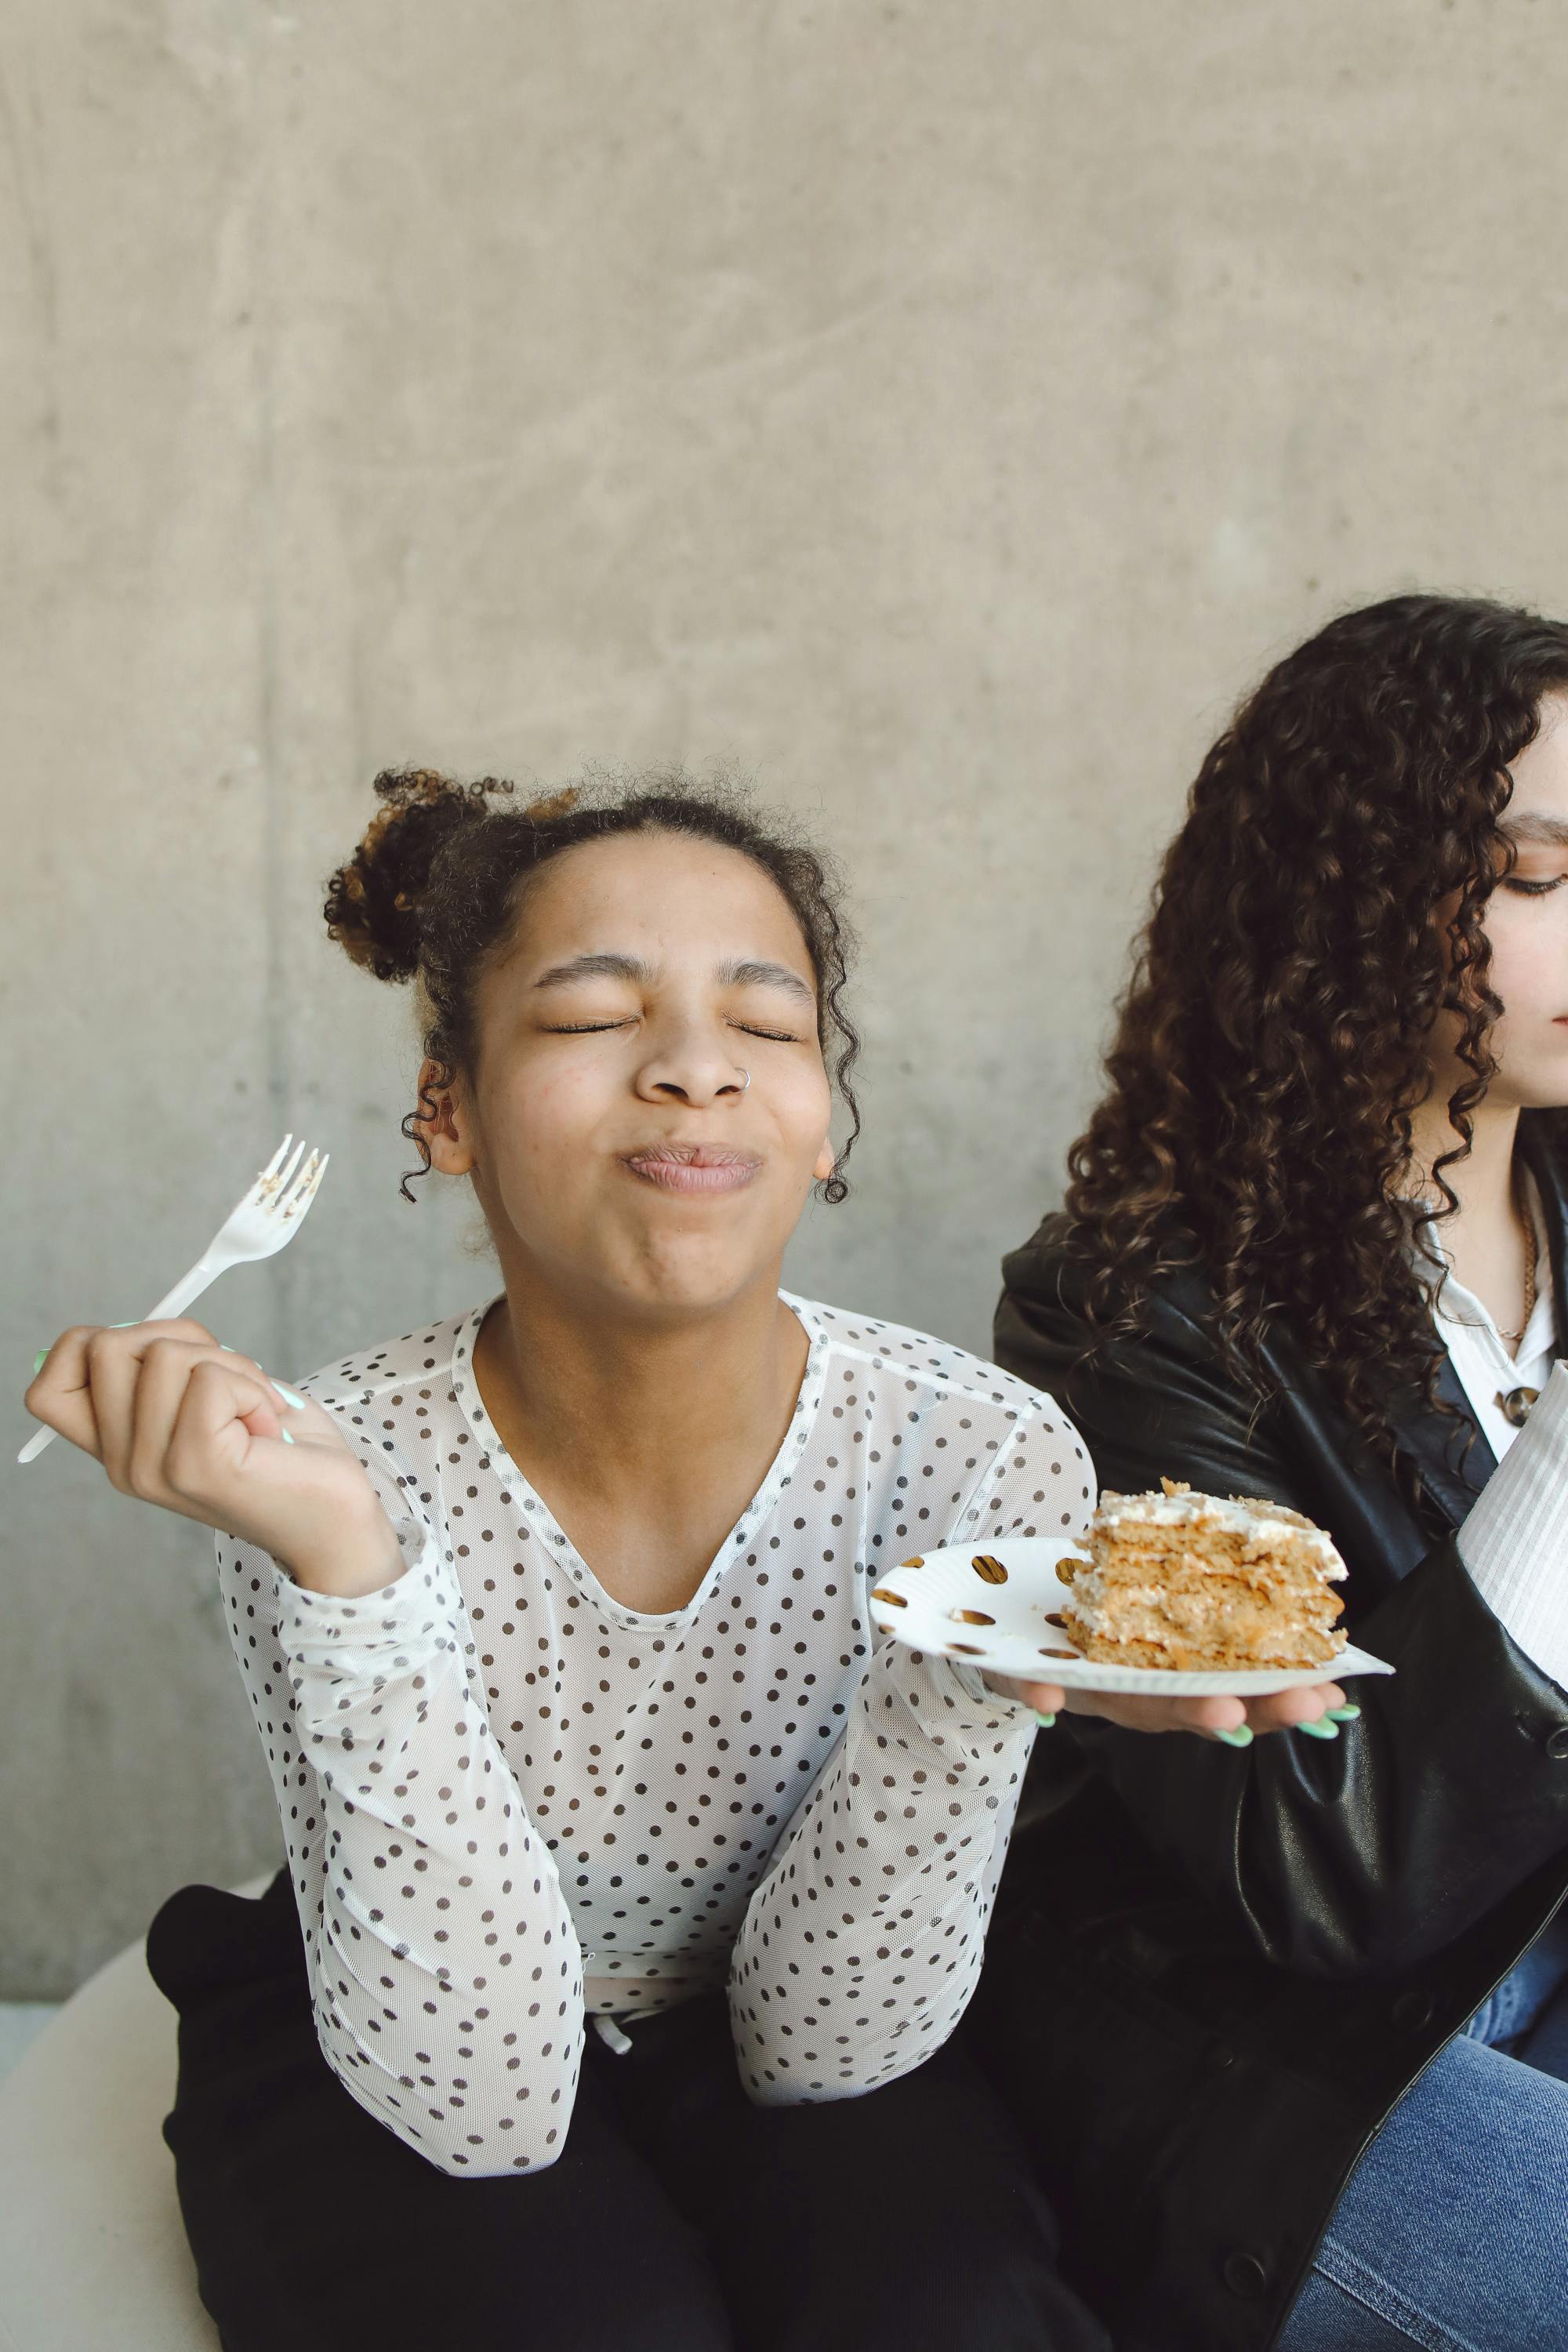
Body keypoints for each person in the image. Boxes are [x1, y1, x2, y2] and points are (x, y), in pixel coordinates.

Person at [26, 771, 1327, 2352]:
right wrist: (351, 1571)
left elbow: (828, 2048)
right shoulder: (320, 1468)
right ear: (448, 1108)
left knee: (953, 2319)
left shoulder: (977, 1457)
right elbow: (485, 2108)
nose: (696, 1070)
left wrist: (959, 1693)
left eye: (766, 1027)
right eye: (590, 1018)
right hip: (404, 2009)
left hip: (790, 1991)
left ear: (824, 1117)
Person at [976, 593, 1568, 2352]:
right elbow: (1322, 1874)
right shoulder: (1131, 1305)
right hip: (1289, 2086)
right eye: (1539, 874)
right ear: (1350, 887)